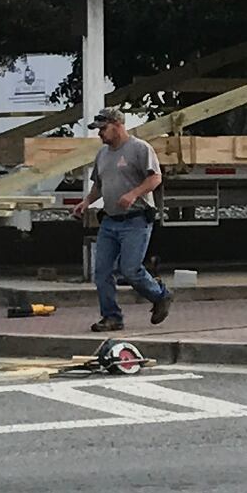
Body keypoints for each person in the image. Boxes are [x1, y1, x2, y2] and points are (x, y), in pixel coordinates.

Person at [74, 108, 170, 331]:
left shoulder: (139, 148)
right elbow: (99, 184)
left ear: (118, 125)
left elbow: (155, 178)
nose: (100, 134)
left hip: (136, 219)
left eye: (103, 129)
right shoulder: (102, 154)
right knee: (102, 273)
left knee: (130, 269)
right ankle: (112, 317)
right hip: (110, 220)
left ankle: (160, 295)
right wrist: (87, 201)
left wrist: (134, 193)